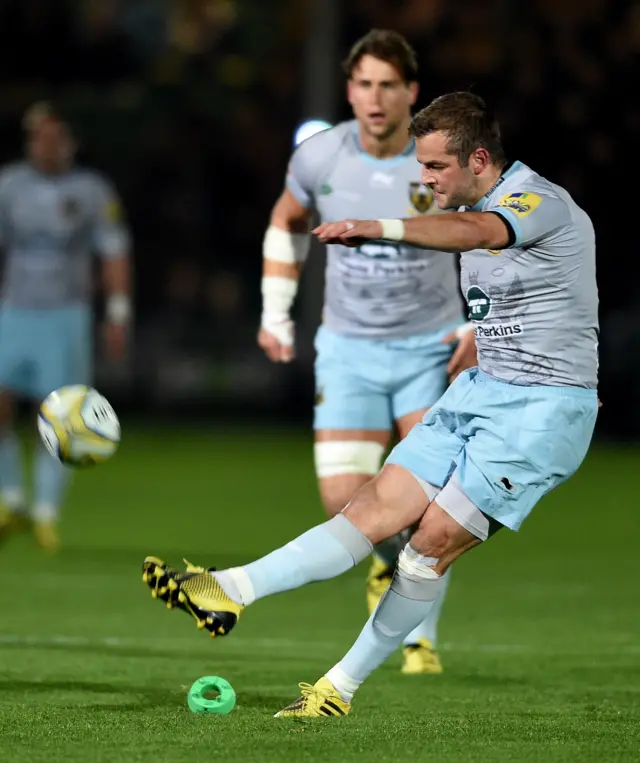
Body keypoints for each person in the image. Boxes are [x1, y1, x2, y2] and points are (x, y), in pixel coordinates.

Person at [141, 91, 598, 718]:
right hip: (482, 390)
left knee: (428, 546)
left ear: (480, 159)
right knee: (375, 506)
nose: (424, 177)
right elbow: (526, 292)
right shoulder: (473, 204)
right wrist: (475, 337)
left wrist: (379, 227)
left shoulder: (535, 200)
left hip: (541, 412)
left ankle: (338, 690)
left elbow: (481, 232)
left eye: (436, 166)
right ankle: (227, 589)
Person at [257, 29, 475, 674]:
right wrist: (275, 313)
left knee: (431, 502)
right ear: (349, 91)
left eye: (388, 85)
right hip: (349, 348)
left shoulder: (436, 158)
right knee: (345, 504)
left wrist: (474, 325)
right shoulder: (321, 158)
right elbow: (285, 222)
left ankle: (419, 639)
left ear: (411, 92)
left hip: (428, 349)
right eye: (363, 85)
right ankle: (387, 572)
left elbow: (485, 233)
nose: (375, 98)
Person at [0, 102, 132, 551]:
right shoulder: (10, 186)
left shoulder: (92, 191)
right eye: (38, 138)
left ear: (70, 143)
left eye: (55, 138)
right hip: (15, 309)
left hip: (66, 315)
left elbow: (114, 251)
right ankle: (12, 499)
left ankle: (45, 514)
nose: (46, 146)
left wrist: (117, 313)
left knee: (57, 415)